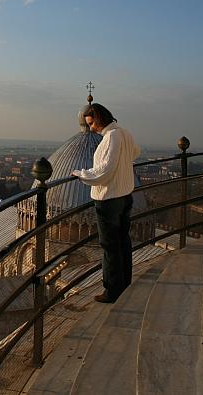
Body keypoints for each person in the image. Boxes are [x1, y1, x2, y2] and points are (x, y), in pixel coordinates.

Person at [72, 103, 141, 303]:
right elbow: (136, 152)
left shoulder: (111, 137)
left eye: (92, 123)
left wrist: (81, 174)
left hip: (109, 199)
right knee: (122, 241)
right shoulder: (124, 132)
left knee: (109, 245)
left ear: (100, 118)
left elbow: (104, 171)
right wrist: (122, 162)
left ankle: (112, 291)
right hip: (125, 196)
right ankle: (124, 283)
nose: (91, 128)